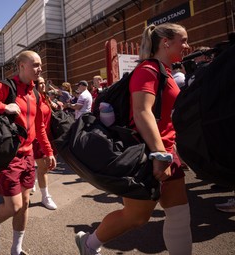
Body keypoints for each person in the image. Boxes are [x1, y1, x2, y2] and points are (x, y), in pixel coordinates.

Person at [75, 22, 192, 255]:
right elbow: (142, 112)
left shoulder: (165, 71)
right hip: (149, 155)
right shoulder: (148, 70)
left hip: (167, 152)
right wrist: (160, 154)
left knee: (179, 217)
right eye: (183, 40)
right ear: (166, 42)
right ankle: (88, 244)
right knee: (136, 217)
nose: (187, 46)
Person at [0, 50, 56, 255]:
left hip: (28, 156)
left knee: (25, 204)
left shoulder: (35, 93)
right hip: (7, 155)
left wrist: (48, 151)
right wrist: (3, 107)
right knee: (14, 206)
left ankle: (16, 249)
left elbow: (40, 127)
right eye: (35, 64)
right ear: (21, 66)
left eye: (40, 65)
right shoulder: (6, 87)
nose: (39, 68)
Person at [32, 76, 58, 210]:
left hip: (47, 136)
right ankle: (45, 196)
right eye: (40, 84)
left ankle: (32, 182)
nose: (43, 86)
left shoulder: (44, 97)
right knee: (43, 168)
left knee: (41, 167)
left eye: (43, 83)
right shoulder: (33, 100)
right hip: (36, 139)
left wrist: (55, 105)